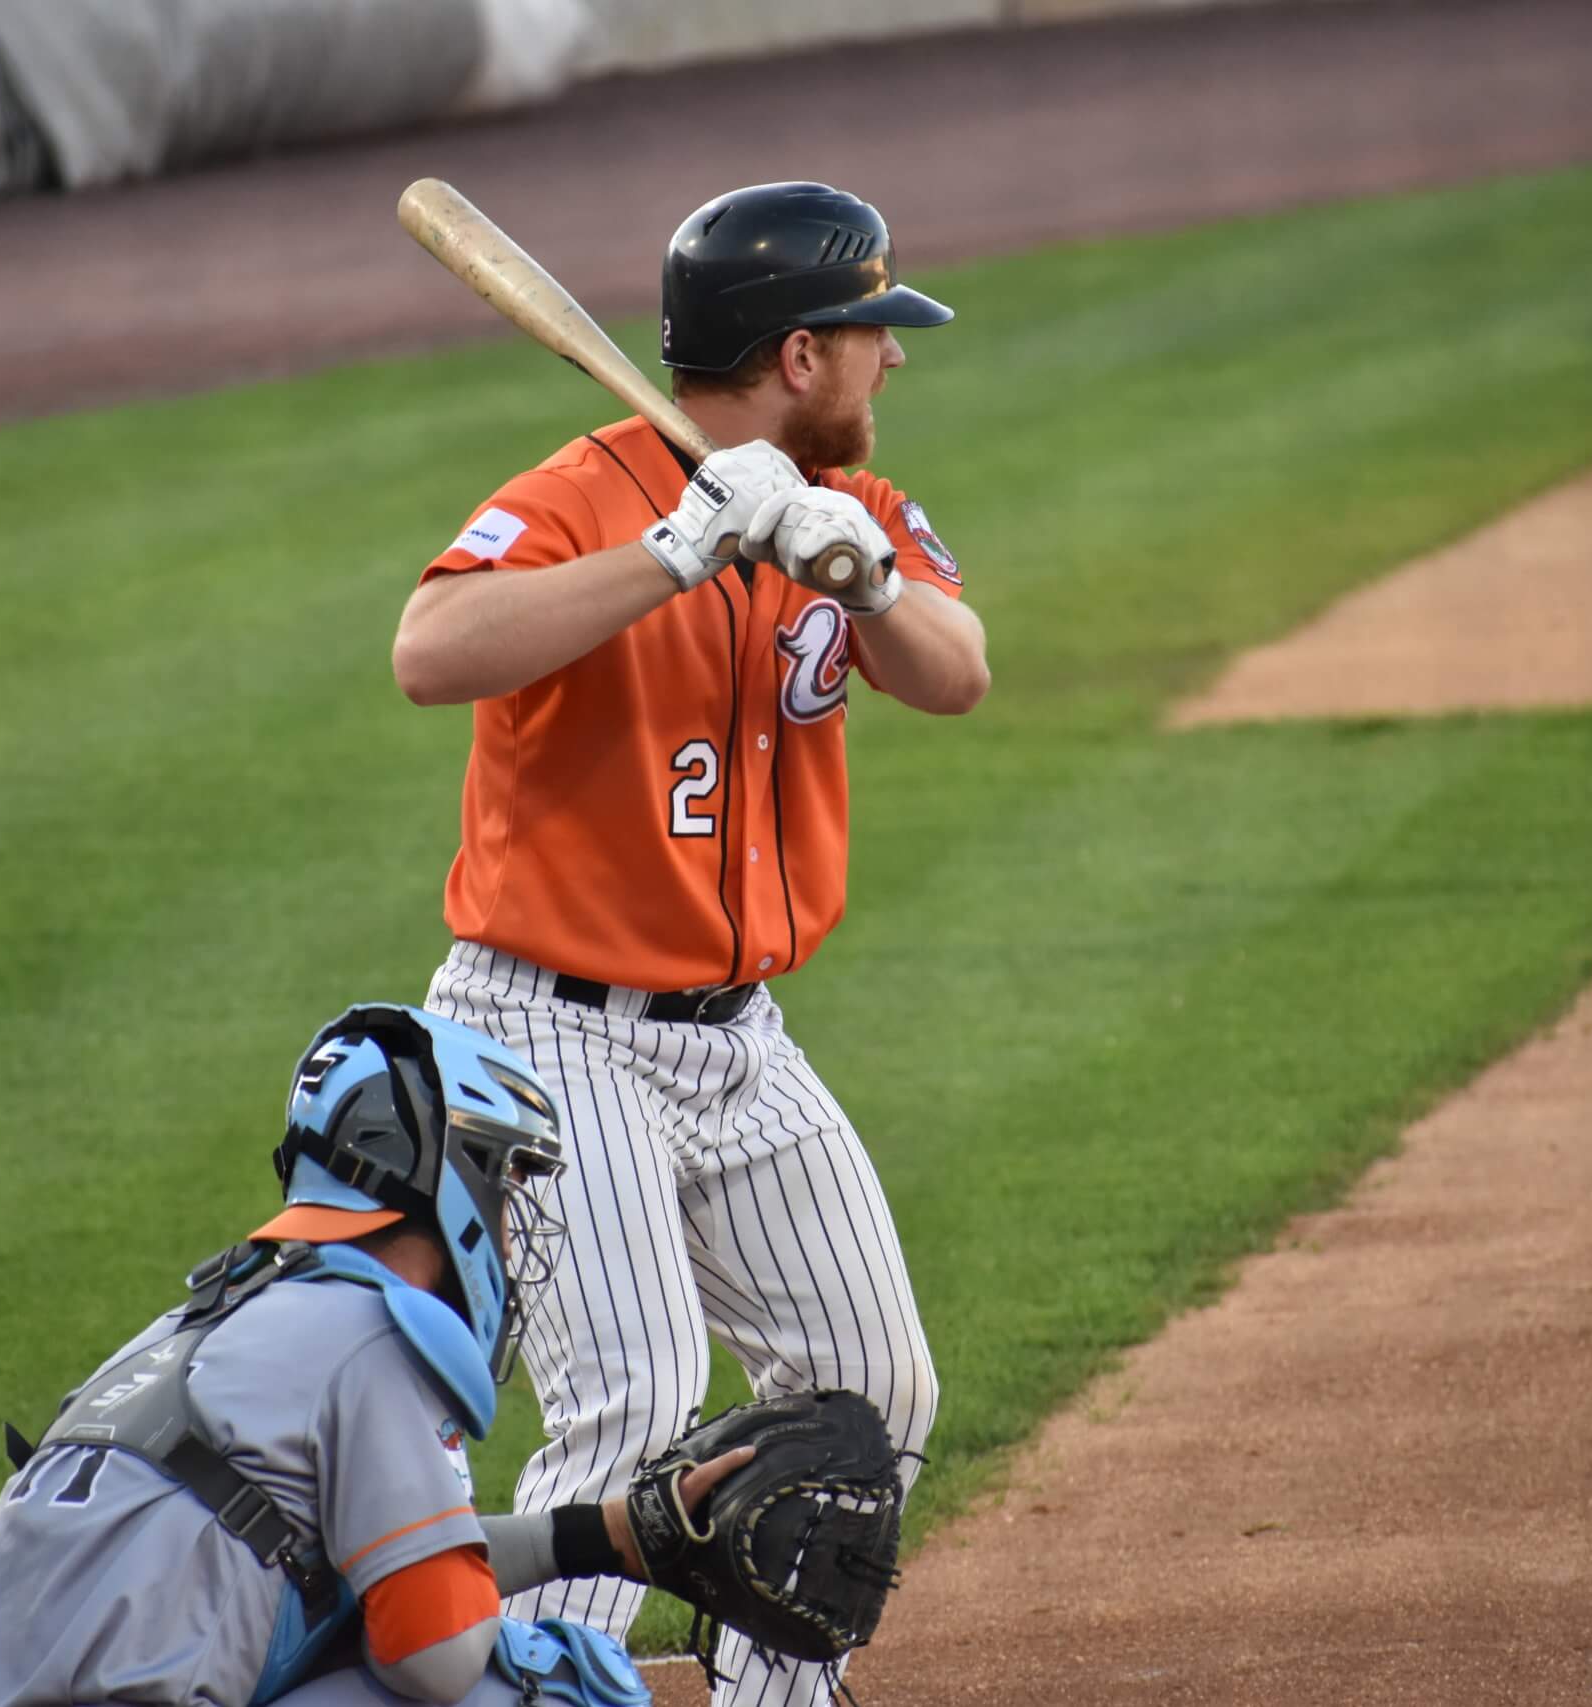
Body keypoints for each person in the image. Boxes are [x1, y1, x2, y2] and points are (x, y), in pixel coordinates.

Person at [391, 180, 987, 1705]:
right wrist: (672, 552)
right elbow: (430, 648)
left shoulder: (858, 501)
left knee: (873, 1380)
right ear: (799, 354)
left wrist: (863, 574)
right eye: (872, 335)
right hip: (549, 1026)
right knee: (632, 1407)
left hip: (740, 1042)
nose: (894, 362)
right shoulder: (587, 492)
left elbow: (959, 674)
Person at [0, 1004, 749, 1707]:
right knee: (555, 1685)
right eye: (505, 1181)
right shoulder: (370, 1333)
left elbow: (350, 1563)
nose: (508, 1220)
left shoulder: (205, 1321)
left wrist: (606, 1536)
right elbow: (437, 1653)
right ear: (442, 1174)